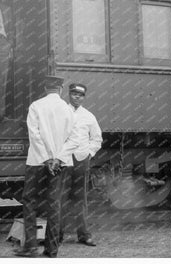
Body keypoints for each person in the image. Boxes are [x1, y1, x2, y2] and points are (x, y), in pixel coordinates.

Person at [14, 76, 79, 258]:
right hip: (60, 164)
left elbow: (34, 135)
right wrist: (57, 159)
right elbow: (74, 139)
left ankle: (31, 246)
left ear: (44, 88)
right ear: (60, 89)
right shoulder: (68, 109)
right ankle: (51, 250)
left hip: (36, 162)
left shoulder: (36, 106)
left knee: (29, 201)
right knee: (54, 204)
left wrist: (45, 159)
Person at [59, 83, 103, 247]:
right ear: (69, 95)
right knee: (61, 199)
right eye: (74, 94)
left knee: (80, 199)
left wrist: (88, 154)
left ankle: (83, 235)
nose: (77, 97)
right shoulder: (62, 113)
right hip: (64, 160)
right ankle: (57, 235)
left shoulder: (89, 116)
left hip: (81, 161)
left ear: (84, 97)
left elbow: (97, 138)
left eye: (80, 95)